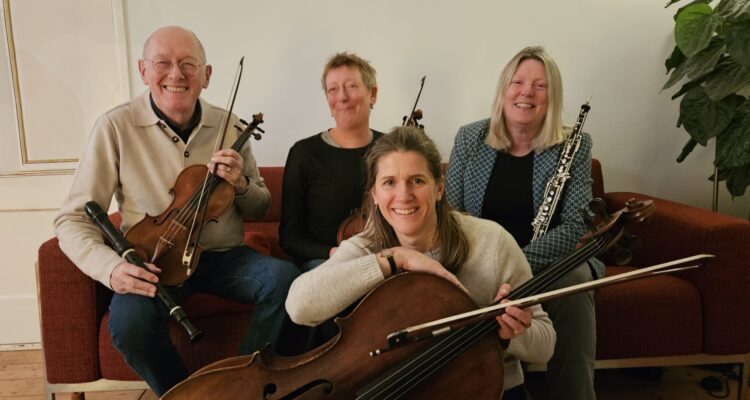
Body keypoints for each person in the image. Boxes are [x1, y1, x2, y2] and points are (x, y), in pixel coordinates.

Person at [53, 26, 299, 396]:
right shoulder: (114, 127)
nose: (176, 74)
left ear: (206, 75)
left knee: (286, 281)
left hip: (224, 256)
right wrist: (111, 268)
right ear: (143, 71)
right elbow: (72, 218)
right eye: (162, 63)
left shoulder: (231, 126)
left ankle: (240, 388)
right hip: (155, 261)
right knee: (130, 324)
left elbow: (261, 204)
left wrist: (241, 184)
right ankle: (186, 395)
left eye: (188, 64)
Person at [286, 126, 555, 399]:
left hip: (486, 391)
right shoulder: (366, 246)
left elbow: (545, 345)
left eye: (416, 180)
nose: (404, 195)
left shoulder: (492, 242)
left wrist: (510, 335)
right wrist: (396, 258)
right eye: (389, 182)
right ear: (374, 195)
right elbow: (298, 306)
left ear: (439, 188)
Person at [446, 46, 603, 400]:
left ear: (552, 96)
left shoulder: (575, 144)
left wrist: (518, 264)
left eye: (540, 86)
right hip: (482, 260)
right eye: (517, 82)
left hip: (546, 261)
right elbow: (453, 217)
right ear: (504, 89)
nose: (526, 93)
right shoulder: (470, 138)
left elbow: (576, 225)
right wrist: (491, 265)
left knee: (576, 281)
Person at [280, 52, 383, 272]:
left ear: (372, 94)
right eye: (333, 90)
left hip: (383, 258)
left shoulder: (391, 149)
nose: (342, 97)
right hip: (325, 262)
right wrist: (333, 253)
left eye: (352, 86)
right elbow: (289, 237)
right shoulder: (304, 153)